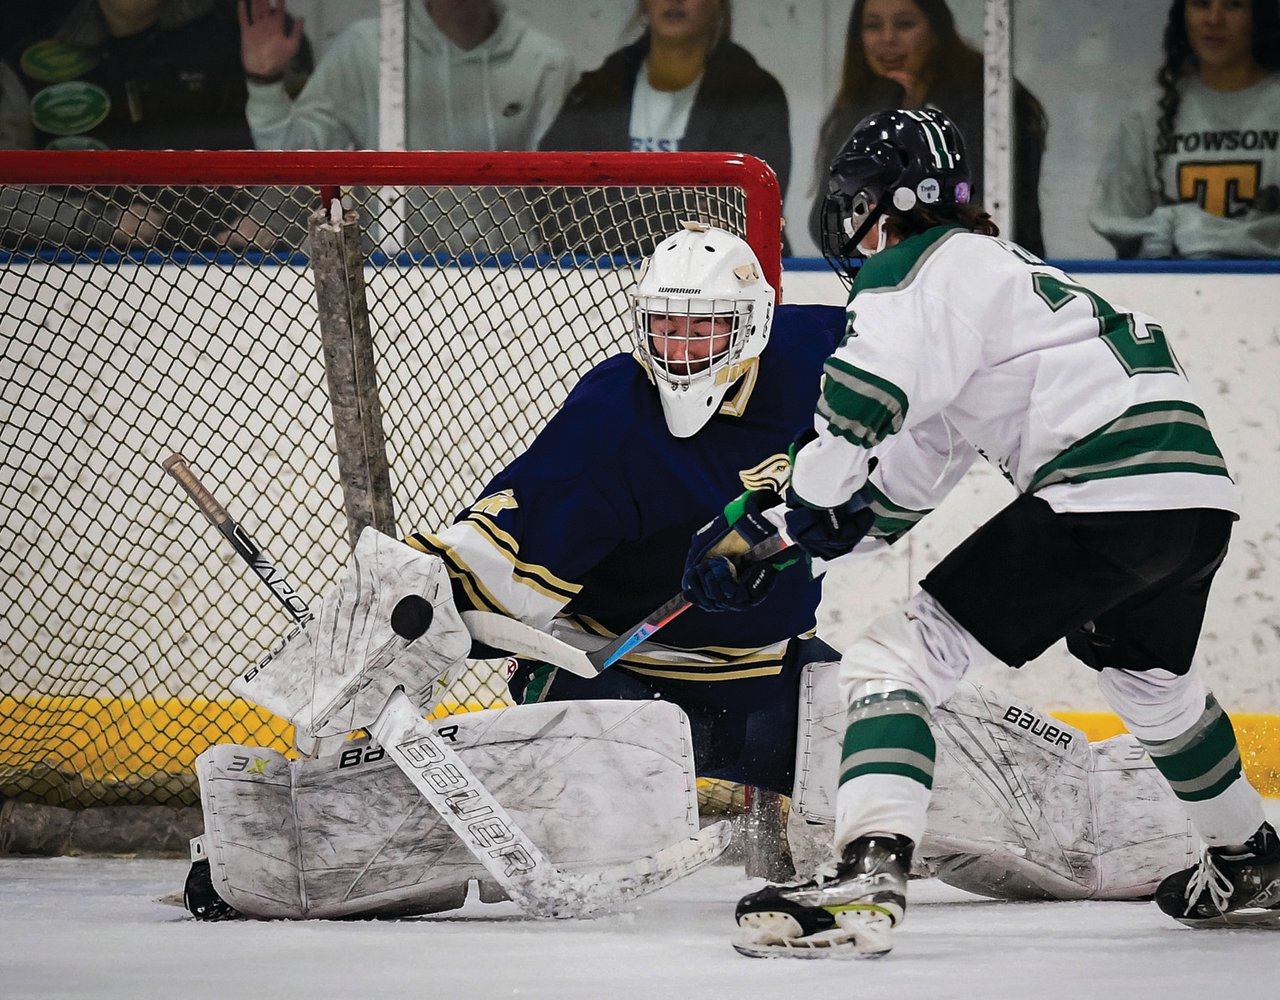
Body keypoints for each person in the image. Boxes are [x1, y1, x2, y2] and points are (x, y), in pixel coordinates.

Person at [184, 223, 1198, 922]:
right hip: (608, 675)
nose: (679, 348)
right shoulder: (608, 420)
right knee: (612, 769)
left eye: (701, 328)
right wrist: (397, 619)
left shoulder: (824, 356)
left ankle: (1132, 827)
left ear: (749, 326)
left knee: (885, 725)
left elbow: (939, 384)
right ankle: (293, 836)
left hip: (764, 671)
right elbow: (476, 565)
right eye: (664, 326)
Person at [683, 108, 1280, 959]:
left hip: (1100, 486)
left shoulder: (911, 272)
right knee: (1150, 680)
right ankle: (1249, 858)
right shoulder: (994, 276)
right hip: (1194, 495)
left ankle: (866, 873)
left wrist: (805, 494)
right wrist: (776, 538)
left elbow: (857, 409)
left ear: (879, 206)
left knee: (895, 659)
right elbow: (903, 485)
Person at [0, 0, 310, 251]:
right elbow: (5, 197)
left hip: (242, 270)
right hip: (69, 278)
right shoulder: (21, 47)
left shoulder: (250, 28)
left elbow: (318, 148)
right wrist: (97, 225)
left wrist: (273, 218)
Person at [538, 0, 790, 257]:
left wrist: (620, 210)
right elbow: (552, 201)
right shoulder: (597, 91)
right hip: (604, 270)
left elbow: (749, 208)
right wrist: (684, 209)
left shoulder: (756, 93)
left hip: (721, 275)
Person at [1088, 0, 1280, 259]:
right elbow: (1115, 217)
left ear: (1258, 17)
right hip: (1168, 292)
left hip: (1277, 292)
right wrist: (1153, 233)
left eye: (1232, 5)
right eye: (1201, 4)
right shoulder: (1147, 113)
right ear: (1184, 15)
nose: (1214, 19)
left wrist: (1206, 235)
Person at [808, 0, 1048, 256]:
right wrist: (885, 107)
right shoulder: (855, 109)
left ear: (936, 32)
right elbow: (828, 225)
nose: (887, 38)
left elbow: (981, 216)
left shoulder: (990, 104)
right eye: (873, 26)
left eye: (905, 24)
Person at [240, 0, 573, 151]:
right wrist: (265, 84)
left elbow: (569, 192)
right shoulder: (368, 48)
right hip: (390, 279)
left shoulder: (546, 61)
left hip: (512, 276)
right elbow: (298, 159)